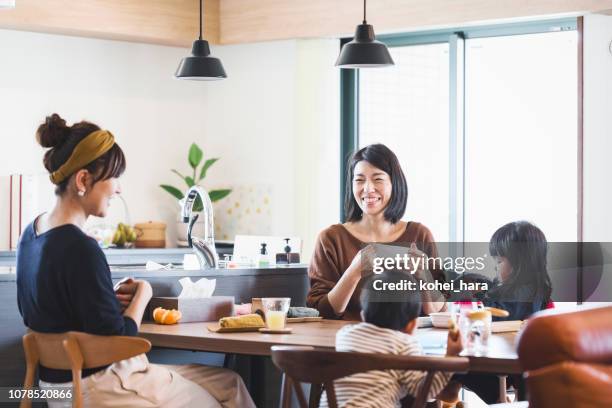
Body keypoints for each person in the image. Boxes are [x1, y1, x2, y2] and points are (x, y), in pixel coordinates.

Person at [16, 113, 255, 408]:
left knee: (229, 382)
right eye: (114, 177)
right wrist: (143, 295)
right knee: (219, 399)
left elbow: (43, 315)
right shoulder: (80, 247)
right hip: (102, 385)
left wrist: (102, 295)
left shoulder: (30, 235)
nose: (118, 189)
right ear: (83, 179)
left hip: (55, 385)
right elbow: (117, 342)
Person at [307, 143, 445, 320]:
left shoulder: (420, 235)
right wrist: (353, 272)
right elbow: (321, 311)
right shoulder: (331, 239)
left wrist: (424, 276)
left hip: (408, 342)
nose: (368, 188)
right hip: (350, 343)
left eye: (377, 179)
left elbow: (438, 311)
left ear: (394, 183)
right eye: (359, 180)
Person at [319, 271, 463, 408]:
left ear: (363, 316)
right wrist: (450, 356)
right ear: (412, 325)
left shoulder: (345, 335)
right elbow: (426, 392)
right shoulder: (405, 345)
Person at [446, 221, 553, 405]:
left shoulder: (524, 294)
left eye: (499, 261)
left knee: (458, 364)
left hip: (510, 361)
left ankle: (497, 400)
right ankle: (452, 394)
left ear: (521, 264)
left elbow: (495, 315)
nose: (496, 267)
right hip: (510, 358)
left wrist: (472, 301)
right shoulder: (530, 289)